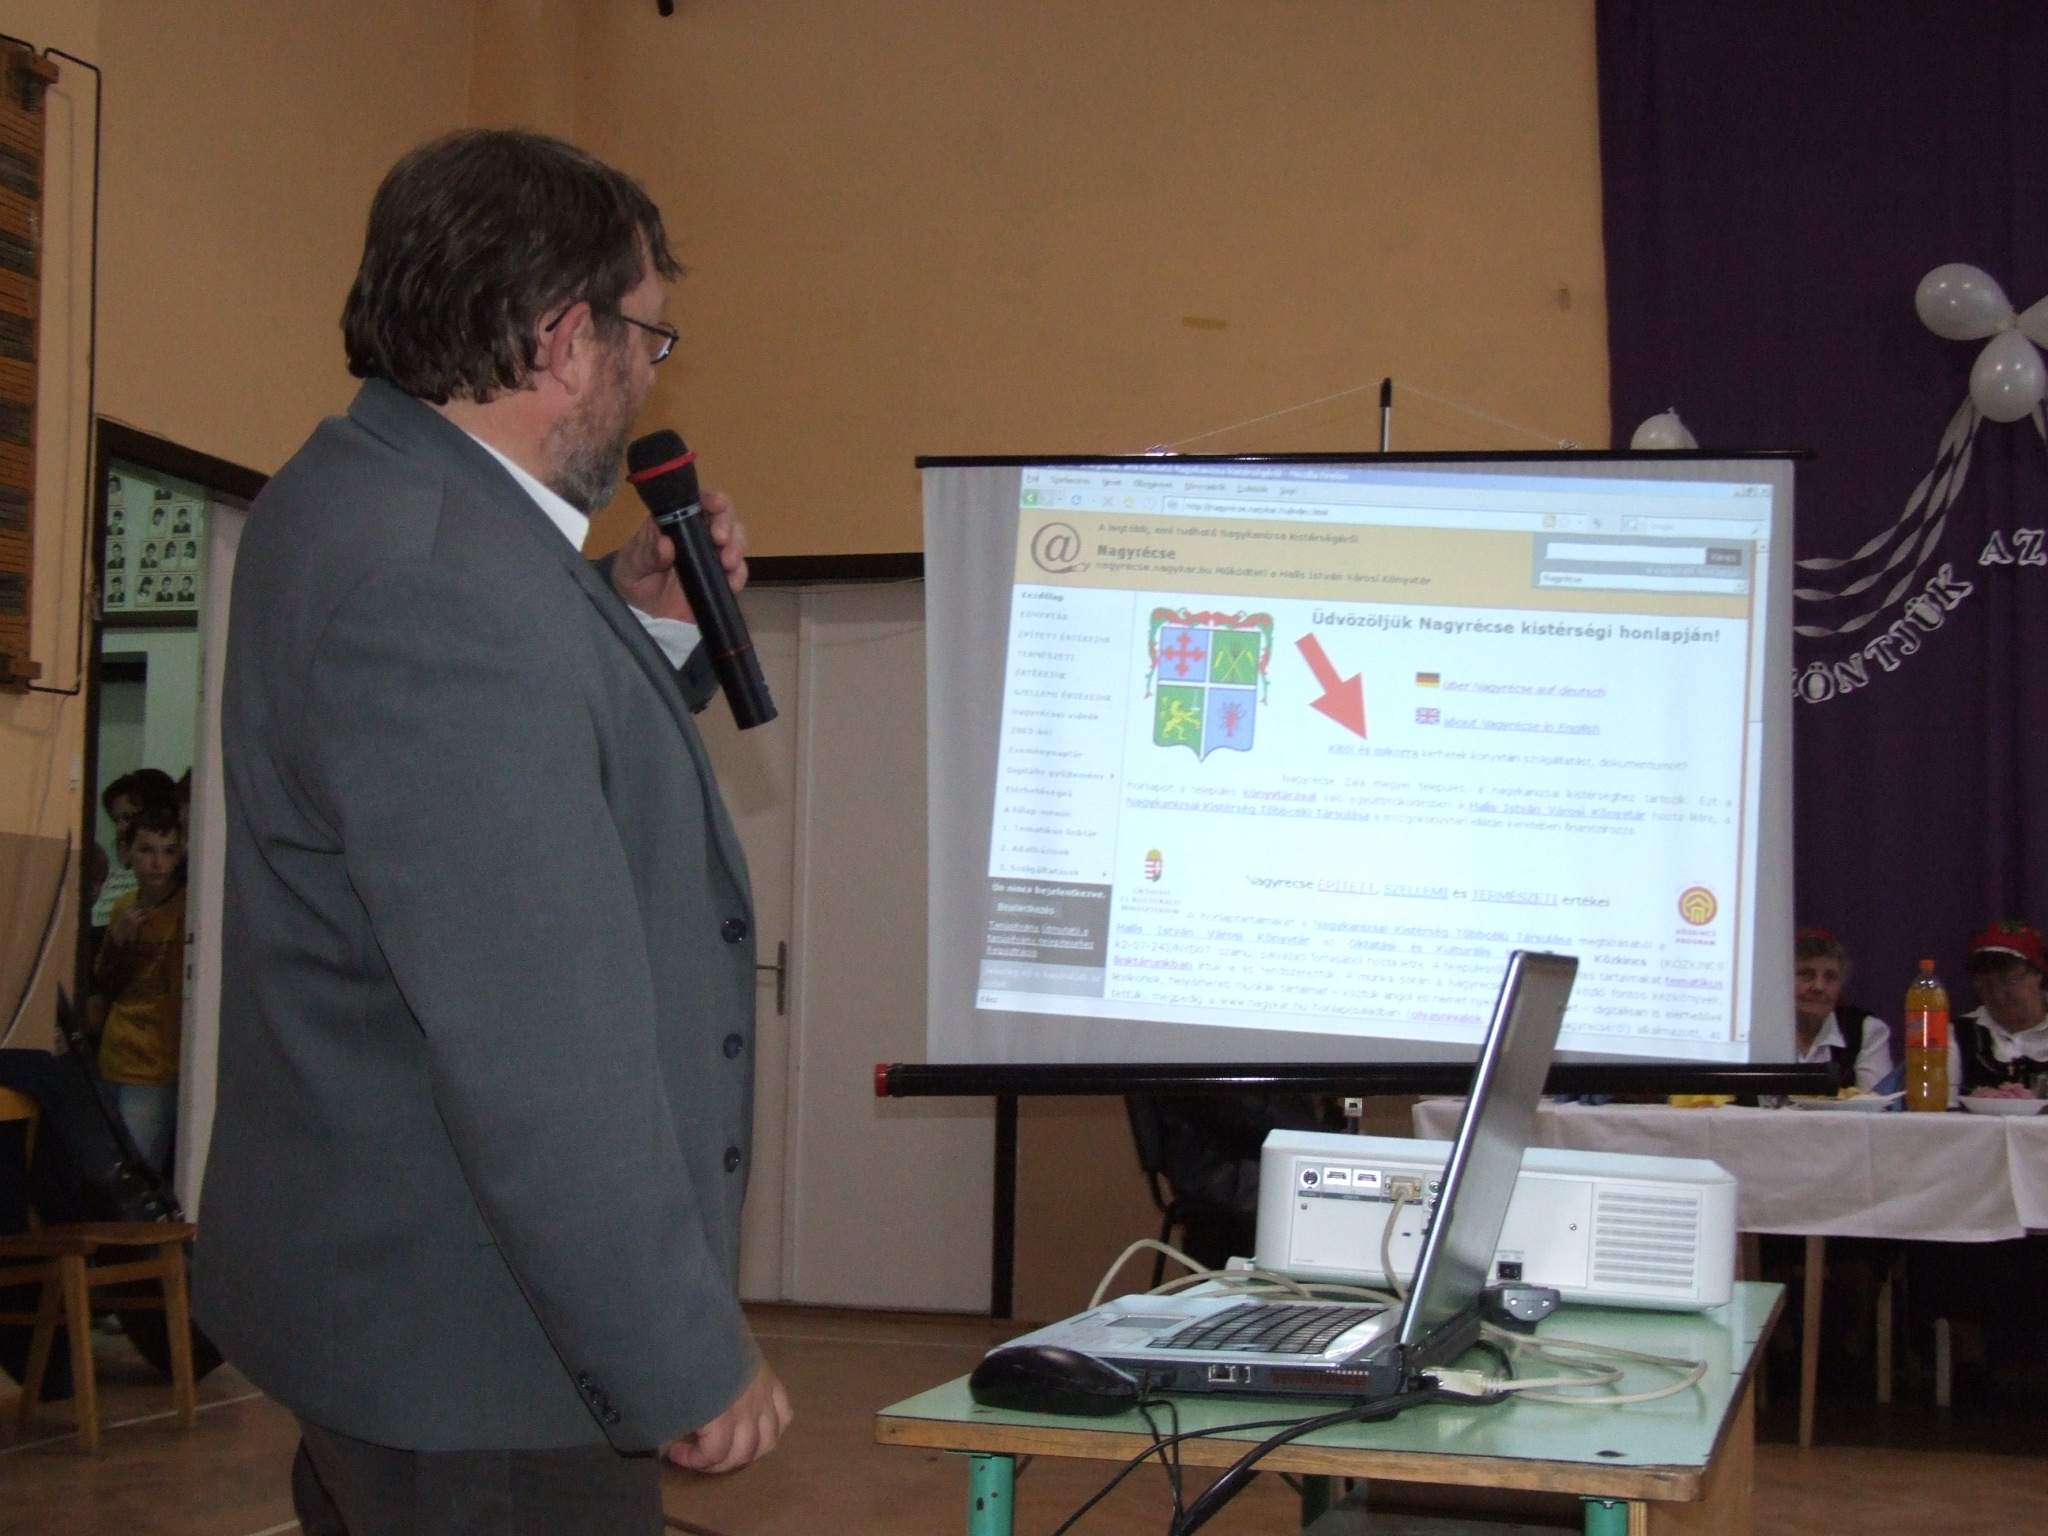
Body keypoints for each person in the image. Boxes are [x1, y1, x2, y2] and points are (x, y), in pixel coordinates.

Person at [193, 129, 788, 1536]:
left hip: (383, 1312)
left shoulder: (365, 493)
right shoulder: (443, 583)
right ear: (563, 341)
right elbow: (535, 1040)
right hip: (486, 1358)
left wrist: (639, 624)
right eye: (646, 336)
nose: (651, 376)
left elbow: (479, 784)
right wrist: (676, 1350)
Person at [84, 803, 186, 1175]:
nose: (158, 863)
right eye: (147, 850)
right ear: (128, 852)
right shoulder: (124, 907)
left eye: (168, 852)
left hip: (159, 1061)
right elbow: (105, 986)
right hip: (116, 1053)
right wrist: (117, 939)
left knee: (136, 1175)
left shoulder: (189, 908)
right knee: (107, 1171)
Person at [1792, 928, 1896, 1092]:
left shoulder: (1865, 1031)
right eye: (1806, 974)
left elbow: (1875, 1100)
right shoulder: (1758, 1031)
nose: (1819, 987)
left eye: (1830, 977)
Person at [1952, 922, 2048, 1098]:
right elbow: (1941, 1104)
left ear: (2038, 975)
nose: (1998, 994)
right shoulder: (1958, 1034)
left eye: (2010, 980)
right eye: (1986, 983)